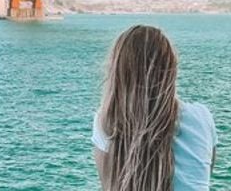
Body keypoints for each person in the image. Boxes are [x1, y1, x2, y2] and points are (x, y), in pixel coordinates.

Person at [92, 25, 218, 191]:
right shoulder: (201, 117)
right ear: (171, 69)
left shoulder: (107, 121)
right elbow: (205, 171)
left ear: (118, 72)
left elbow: (109, 185)